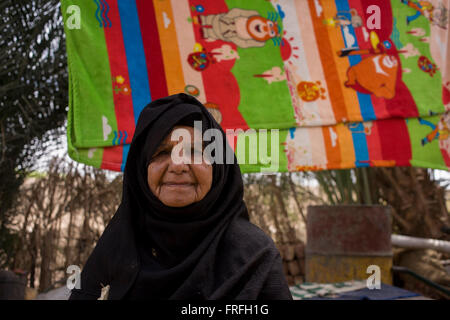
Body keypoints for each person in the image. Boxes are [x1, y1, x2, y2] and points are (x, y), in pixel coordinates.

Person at [69, 93, 292, 300]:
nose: (177, 165)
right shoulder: (118, 246)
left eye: (194, 151)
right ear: (142, 167)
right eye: (162, 151)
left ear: (218, 168)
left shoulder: (255, 255)